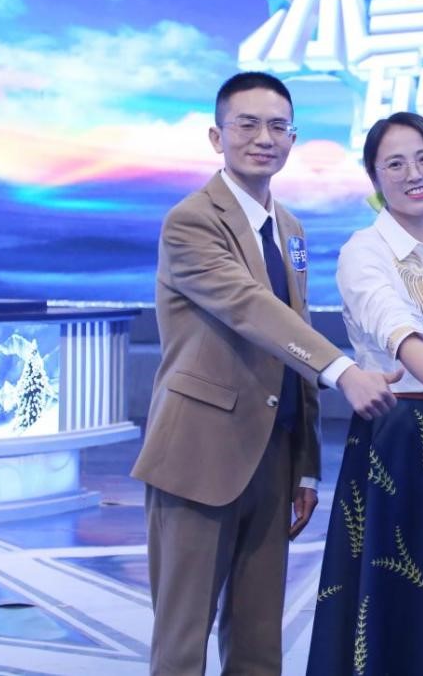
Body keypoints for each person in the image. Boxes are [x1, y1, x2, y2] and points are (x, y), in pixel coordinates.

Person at [131, 71, 401, 675]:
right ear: (216, 136)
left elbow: (292, 337)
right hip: (199, 456)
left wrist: (305, 463)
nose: (264, 138)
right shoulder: (191, 220)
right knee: (182, 643)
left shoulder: (291, 230)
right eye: (247, 124)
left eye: (278, 126)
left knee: (258, 646)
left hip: (273, 460)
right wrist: (344, 370)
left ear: (293, 138)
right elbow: (250, 308)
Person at [306, 112, 423, 675]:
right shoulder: (363, 250)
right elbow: (395, 326)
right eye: (395, 164)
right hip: (395, 435)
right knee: (390, 594)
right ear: (374, 177)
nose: (414, 174)